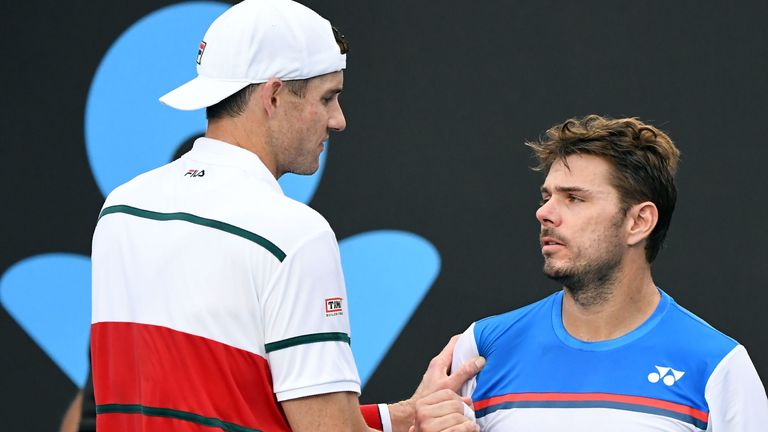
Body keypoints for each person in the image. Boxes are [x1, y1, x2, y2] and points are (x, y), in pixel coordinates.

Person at [89, 1, 482, 431]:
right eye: (328, 98)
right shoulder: (293, 235)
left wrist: (399, 417)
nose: (339, 121)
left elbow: (220, 402)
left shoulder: (122, 209)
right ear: (273, 96)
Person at [412, 115, 768, 431]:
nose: (545, 213)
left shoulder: (717, 366)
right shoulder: (483, 348)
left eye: (574, 198)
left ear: (638, 221)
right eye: (546, 196)